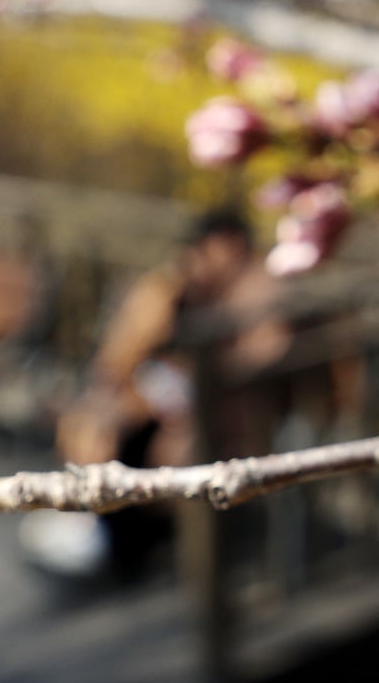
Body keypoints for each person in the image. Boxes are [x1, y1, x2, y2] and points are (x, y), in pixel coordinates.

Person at [19, 210, 291, 583]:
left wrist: (204, 378)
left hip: (220, 407)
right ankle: (99, 526)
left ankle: (145, 542)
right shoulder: (172, 285)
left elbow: (264, 351)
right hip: (156, 392)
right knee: (95, 427)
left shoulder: (256, 288)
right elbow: (125, 351)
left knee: (173, 448)